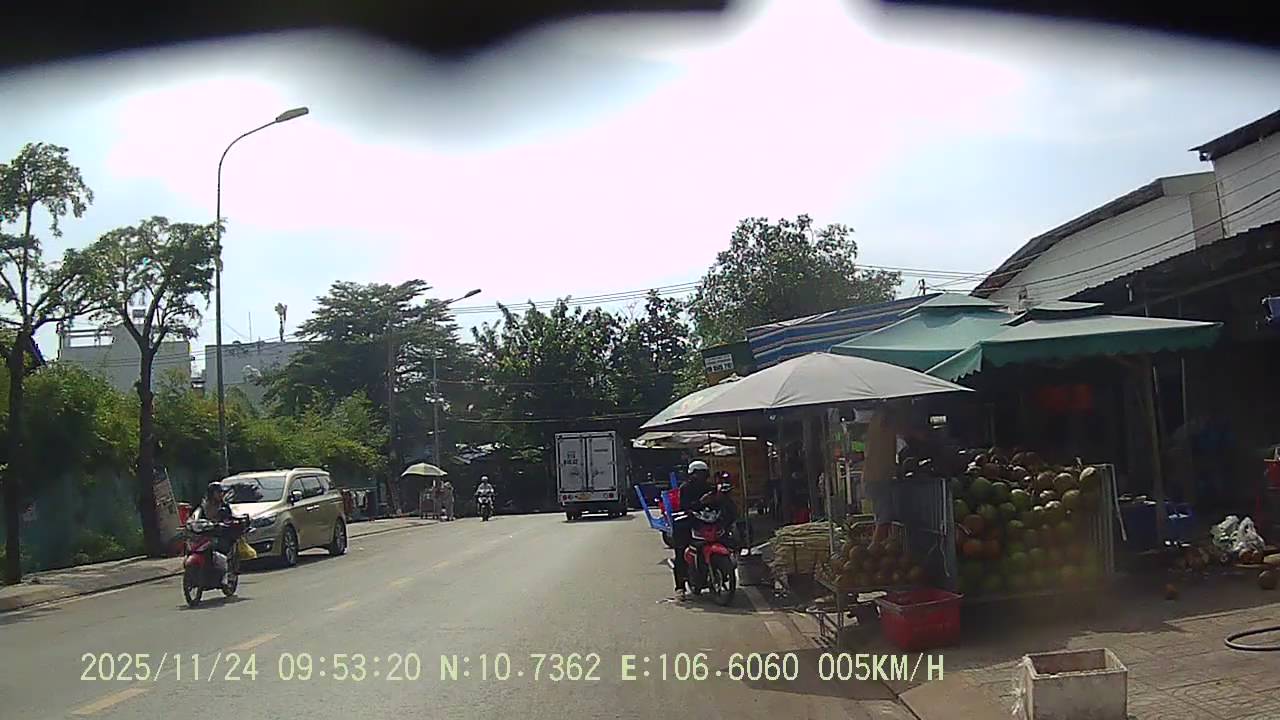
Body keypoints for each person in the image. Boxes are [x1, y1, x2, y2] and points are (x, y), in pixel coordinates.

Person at [670, 460, 713, 598]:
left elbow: (719, 504)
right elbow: (685, 506)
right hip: (689, 521)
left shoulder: (710, 487)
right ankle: (680, 587)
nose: (700, 477)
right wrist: (700, 502)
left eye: (703, 474)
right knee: (681, 551)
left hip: (706, 521)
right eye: (697, 474)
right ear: (691, 474)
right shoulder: (685, 488)